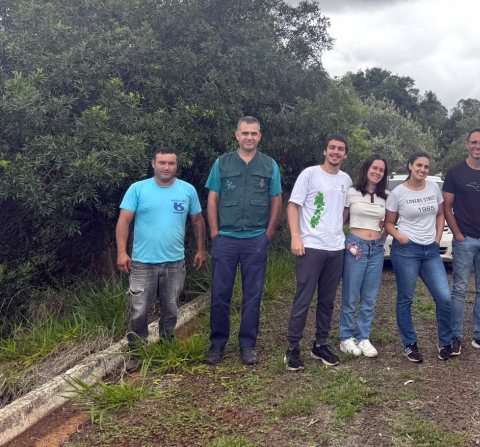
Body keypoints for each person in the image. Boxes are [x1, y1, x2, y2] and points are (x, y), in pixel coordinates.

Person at [116, 146, 206, 372]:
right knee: (139, 311)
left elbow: (197, 221)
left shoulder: (187, 190)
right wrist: (121, 252)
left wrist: (201, 249)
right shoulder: (138, 189)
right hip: (143, 263)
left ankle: (167, 345)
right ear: (153, 164)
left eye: (171, 163)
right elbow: (124, 222)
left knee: (171, 308)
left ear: (176, 165)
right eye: (162, 163)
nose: (167, 167)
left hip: (174, 263)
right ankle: (136, 351)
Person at [204, 116, 282, 366]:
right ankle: (217, 344)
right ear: (237, 135)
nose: (249, 137)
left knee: (253, 295)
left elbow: (276, 201)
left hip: (255, 240)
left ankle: (247, 345)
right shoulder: (222, 163)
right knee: (220, 294)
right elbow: (213, 199)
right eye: (245, 133)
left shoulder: (269, 165)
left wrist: (267, 235)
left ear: (260, 136)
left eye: (254, 133)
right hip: (225, 239)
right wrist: (215, 235)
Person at [285, 135, 352, 371]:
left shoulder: (346, 179)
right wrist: (296, 236)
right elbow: (293, 205)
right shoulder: (310, 174)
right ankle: (293, 348)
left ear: (345, 155)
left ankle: (320, 344)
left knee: (327, 301)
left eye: (340, 149)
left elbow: (344, 210)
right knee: (303, 298)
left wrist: (336, 230)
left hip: (336, 248)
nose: (336, 152)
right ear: (325, 151)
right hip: (310, 246)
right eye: (332, 148)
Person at [385, 152, 453, 363]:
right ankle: (410, 344)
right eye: (419, 165)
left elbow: (441, 214)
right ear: (410, 166)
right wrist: (401, 238)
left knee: (444, 297)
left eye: (426, 166)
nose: (422, 170)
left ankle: (444, 342)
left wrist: (438, 237)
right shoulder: (397, 193)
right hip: (406, 251)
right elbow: (388, 223)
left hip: (430, 251)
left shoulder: (433, 188)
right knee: (406, 298)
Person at [443, 128, 480, 356]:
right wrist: (458, 234)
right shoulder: (455, 172)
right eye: (474, 142)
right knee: (459, 289)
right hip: (465, 239)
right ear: (467, 144)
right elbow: (447, 206)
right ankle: (456, 336)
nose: (478, 146)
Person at [339, 154, 389, 358]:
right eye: (374, 168)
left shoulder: (386, 195)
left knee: (370, 295)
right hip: (354, 246)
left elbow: (390, 221)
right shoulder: (352, 192)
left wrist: (383, 236)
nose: (377, 172)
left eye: (381, 170)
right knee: (351, 294)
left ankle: (363, 337)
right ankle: (345, 337)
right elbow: (341, 220)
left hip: (376, 248)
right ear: (366, 169)